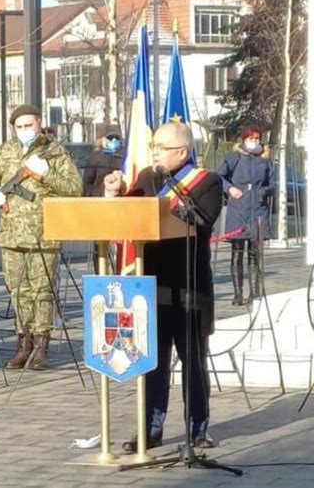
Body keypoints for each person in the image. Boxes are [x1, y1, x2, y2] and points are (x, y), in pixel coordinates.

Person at [103, 122, 223, 452]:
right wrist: (114, 193)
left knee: (193, 362)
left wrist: (172, 207)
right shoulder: (146, 179)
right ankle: (150, 429)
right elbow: (127, 216)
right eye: (153, 147)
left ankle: (197, 428)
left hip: (190, 286)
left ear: (182, 152)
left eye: (161, 148)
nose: (155, 153)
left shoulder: (207, 181)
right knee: (152, 363)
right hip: (151, 287)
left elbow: (204, 218)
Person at [0, 104, 82, 370]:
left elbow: (74, 189)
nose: (25, 130)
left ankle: (42, 346)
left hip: (44, 234)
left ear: (39, 123)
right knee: (18, 292)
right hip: (11, 235)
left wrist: (46, 173)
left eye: (29, 125)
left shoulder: (54, 152)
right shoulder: (4, 151)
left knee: (42, 292)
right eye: (19, 127)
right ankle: (23, 344)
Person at [216, 125, 274, 306]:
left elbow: (272, 183)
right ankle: (238, 293)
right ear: (244, 140)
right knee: (237, 252)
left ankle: (255, 292)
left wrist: (264, 191)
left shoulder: (265, 162)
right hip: (238, 209)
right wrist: (230, 189)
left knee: (255, 254)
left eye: (257, 139)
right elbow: (218, 176)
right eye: (251, 139)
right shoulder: (234, 158)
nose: (254, 142)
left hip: (257, 210)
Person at [83, 124, 124, 274]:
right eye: (110, 138)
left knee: (121, 254)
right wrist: (103, 192)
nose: (114, 140)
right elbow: (86, 186)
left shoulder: (125, 156)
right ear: (103, 140)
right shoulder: (96, 157)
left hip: (123, 212)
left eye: (116, 138)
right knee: (101, 253)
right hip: (100, 209)